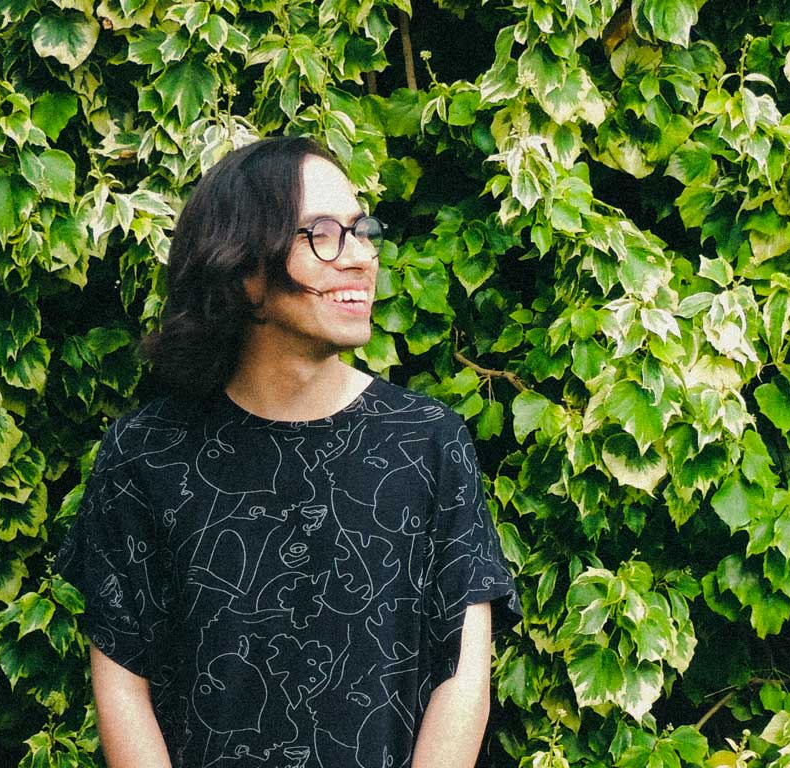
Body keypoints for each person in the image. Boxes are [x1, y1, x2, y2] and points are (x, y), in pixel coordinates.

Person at [55, 136, 520, 768]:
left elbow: (461, 678)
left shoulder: (427, 441)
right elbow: (123, 685)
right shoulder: (148, 455)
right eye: (323, 234)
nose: (360, 256)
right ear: (244, 271)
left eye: (362, 231)